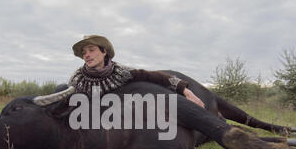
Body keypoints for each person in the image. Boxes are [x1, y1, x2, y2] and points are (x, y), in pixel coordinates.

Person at [68, 35, 205, 107]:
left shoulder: (120, 72)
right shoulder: (76, 78)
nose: (86, 55)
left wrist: (184, 89)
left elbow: (152, 76)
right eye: (84, 52)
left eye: (91, 50)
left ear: (104, 52)